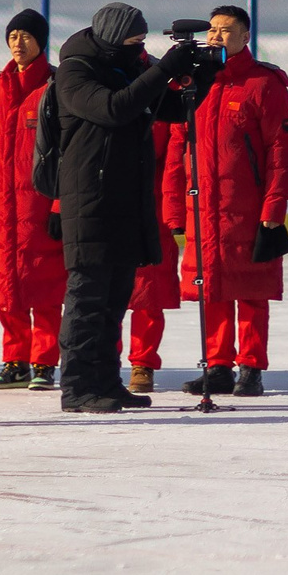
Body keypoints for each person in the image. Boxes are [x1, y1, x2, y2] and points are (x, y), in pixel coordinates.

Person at [43, 3, 201, 413]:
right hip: (88, 199)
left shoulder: (127, 65)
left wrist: (201, 69)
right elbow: (115, 108)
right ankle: (76, 387)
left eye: (143, 42)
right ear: (113, 37)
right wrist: (163, 68)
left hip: (125, 198)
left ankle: (107, 382)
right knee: (87, 299)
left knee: (115, 299)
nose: (140, 48)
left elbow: (170, 107)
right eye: (134, 41)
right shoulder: (75, 72)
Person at [160, 6, 288, 398]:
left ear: (245, 37)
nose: (217, 37)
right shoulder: (192, 82)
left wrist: (274, 207)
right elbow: (176, 149)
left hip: (248, 209)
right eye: (213, 30)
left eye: (226, 30)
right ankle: (217, 365)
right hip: (203, 209)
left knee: (252, 292)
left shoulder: (262, 83)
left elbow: (281, 151)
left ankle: (251, 367)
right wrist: (173, 210)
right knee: (212, 290)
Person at [0, 10, 65, 392]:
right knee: (5, 287)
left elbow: (67, 154)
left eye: (26, 36)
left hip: (38, 208)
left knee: (44, 286)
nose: (18, 42)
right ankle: (15, 361)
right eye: (12, 35)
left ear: (41, 42)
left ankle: (44, 362)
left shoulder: (56, 88)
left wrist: (59, 207)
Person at [125, 111, 184, 395]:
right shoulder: (99, 87)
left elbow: (174, 156)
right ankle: (103, 361)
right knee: (102, 293)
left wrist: (173, 212)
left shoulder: (162, 94)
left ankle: (143, 363)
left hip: (154, 205)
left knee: (149, 293)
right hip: (108, 200)